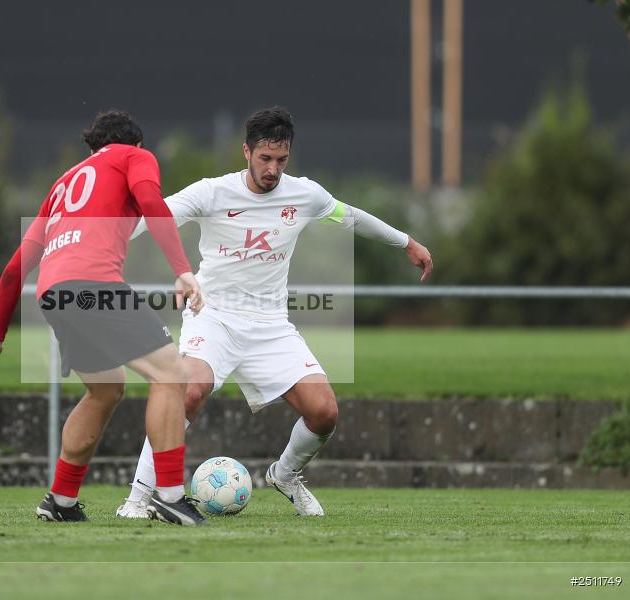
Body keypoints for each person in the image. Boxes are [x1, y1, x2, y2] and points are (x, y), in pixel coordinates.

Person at [117, 106, 433, 518]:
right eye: (265, 158)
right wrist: (102, 239)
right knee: (188, 390)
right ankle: (139, 498)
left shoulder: (304, 194)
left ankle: (284, 475)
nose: (272, 169)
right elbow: (154, 215)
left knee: (324, 413)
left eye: (281, 160)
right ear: (246, 152)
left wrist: (405, 242)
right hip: (212, 315)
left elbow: (349, 216)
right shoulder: (213, 192)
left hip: (270, 326)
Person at [0, 109, 209, 526]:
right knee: (171, 373)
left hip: (53, 293)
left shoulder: (63, 182)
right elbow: (151, 202)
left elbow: (13, 270)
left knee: (105, 389)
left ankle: (60, 500)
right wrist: (182, 269)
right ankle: (169, 496)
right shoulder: (135, 156)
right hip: (93, 286)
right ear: (135, 144)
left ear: (92, 148)